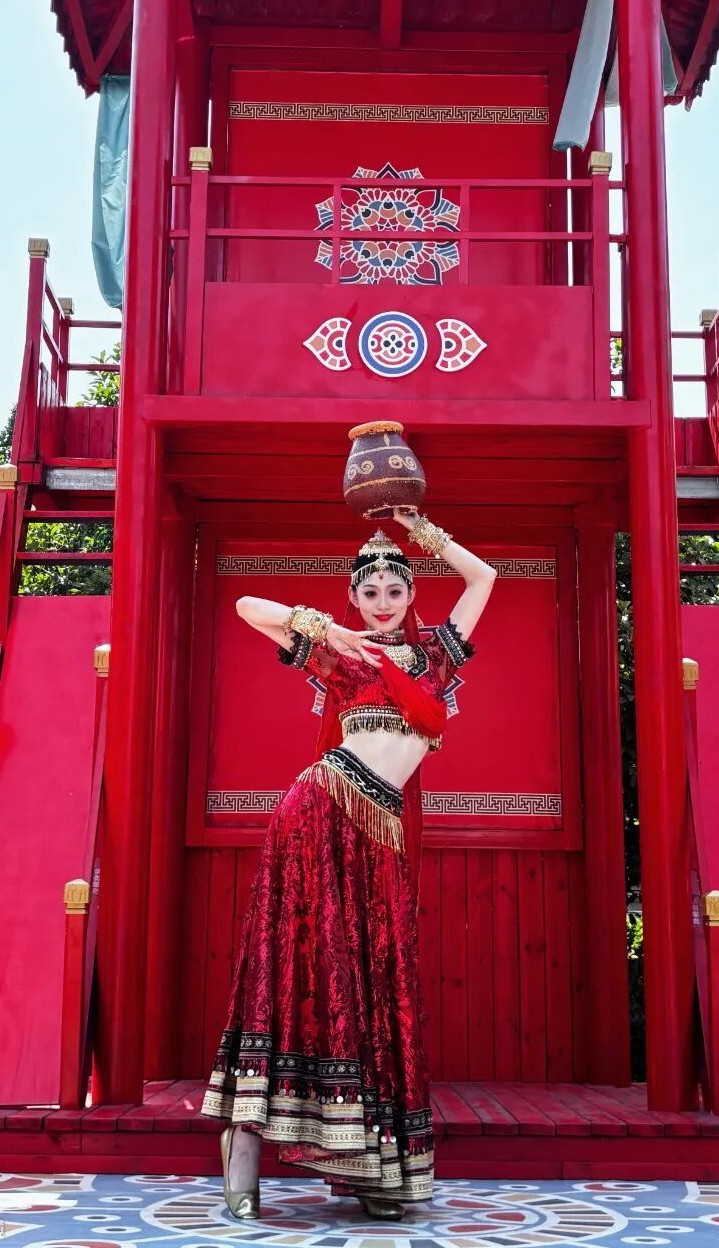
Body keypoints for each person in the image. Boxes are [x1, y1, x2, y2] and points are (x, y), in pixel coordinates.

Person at [200, 506, 497, 1220]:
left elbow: (483, 577)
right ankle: (244, 1144)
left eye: (395, 590)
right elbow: (246, 607)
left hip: (380, 829)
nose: (383, 602)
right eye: (370, 592)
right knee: (300, 968)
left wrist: (421, 530)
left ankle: (373, 1165)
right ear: (354, 598)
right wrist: (320, 626)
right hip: (319, 808)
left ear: (412, 593)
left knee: (367, 983)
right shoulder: (342, 655)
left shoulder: (435, 656)